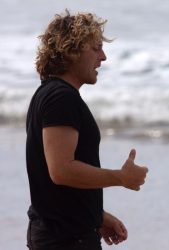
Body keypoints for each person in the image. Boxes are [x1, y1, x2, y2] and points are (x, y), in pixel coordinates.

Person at [25, 10, 148, 250]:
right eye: (96, 48)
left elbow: (55, 187)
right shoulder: (61, 98)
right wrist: (121, 177)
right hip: (65, 240)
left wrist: (96, 216)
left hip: (63, 234)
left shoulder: (50, 94)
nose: (103, 56)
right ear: (71, 50)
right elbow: (61, 170)